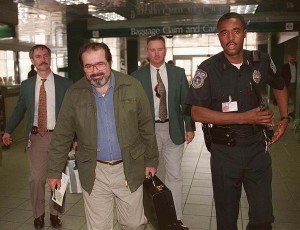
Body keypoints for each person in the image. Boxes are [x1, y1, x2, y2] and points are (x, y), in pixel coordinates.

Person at [186, 12, 289, 230]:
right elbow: (196, 112)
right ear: (219, 37)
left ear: (244, 34)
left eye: (235, 31)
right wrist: (244, 117)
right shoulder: (207, 70)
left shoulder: (260, 61)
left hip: (257, 149)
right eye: (224, 33)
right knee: (227, 219)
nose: (230, 37)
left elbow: (279, 85)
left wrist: (285, 118)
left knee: (263, 218)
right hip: (225, 151)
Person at [47, 42, 159, 230]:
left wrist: (151, 160)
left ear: (110, 62)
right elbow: (62, 136)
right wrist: (54, 171)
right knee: (99, 227)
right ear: (82, 68)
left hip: (129, 167)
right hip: (94, 171)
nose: (95, 71)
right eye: (88, 66)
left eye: (100, 64)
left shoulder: (132, 86)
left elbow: (146, 127)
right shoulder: (74, 94)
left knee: (134, 224)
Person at [2, 44, 73, 229]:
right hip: (36, 137)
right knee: (36, 179)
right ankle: (38, 215)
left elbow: (73, 113)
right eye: (38, 56)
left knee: (58, 177)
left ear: (50, 58)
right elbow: (19, 109)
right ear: (32, 61)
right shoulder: (27, 85)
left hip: (59, 137)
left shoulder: (65, 84)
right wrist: (8, 130)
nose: (43, 59)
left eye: (46, 55)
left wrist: (75, 137)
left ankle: (55, 214)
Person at [131, 35, 195, 230]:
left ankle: (175, 219)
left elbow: (186, 102)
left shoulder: (177, 73)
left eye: (160, 49)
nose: (156, 54)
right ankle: (153, 216)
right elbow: (133, 109)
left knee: (175, 176)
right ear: (147, 52)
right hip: (148, 133)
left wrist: (190, 127)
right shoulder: (137, 77)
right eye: (152, 50)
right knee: (151, 175)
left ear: (165, 50)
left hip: (173, 129)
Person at [281, 54, 297, 118]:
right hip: (287, 85)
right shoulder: (285, 66)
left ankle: (294, 113)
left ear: (295, 58)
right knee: (285, 101)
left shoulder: (297, 65)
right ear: (288, 58)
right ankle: (284, 115)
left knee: (296, 101)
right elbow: (281, 76)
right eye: (291, 58)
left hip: (294, 85)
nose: (292, 59)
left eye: (293, 58)